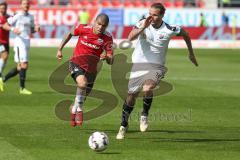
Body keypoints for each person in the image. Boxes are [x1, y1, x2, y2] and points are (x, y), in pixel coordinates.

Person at [116, 3, 198, 140]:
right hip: (139, 65)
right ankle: (123, 125)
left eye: (154, 15)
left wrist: (191, 53)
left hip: (156, 66)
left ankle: (144, 115)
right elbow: (130, 37)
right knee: (131, 95)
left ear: (162, 15)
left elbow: (186, 35)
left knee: (148, 87)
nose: (151, 17)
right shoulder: (142, 23)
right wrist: (143, 27)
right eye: (150, 13)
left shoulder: (169, 29)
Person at [56, 13, 114, 127]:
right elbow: (69, 33)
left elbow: (111, 60)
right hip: (76, 63)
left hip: (92, 70)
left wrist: (107, 57)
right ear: (94, 22)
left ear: (107, 26)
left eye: (104, 25)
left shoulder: (107, 38)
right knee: (82, 84)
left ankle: (74, 109)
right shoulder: (83, 29)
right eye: (99, 24)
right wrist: (59, 49)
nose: (100, 27)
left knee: (83, 95)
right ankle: (79, 110)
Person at [2, 0, 40, 95]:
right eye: (24, 4)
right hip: (19, 43)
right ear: (21, 5)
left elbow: (31, 30)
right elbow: (5, 25)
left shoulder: (31, 16)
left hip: (27, 42)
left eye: (27, 4)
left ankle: (3, 80)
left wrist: (36, 29)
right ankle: (22, 88)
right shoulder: (18, 15)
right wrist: (13, 29)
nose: (26, 5)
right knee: (24, 65)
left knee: (20, 67)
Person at [0, 2, 10, 91]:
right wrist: (12, 28)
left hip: (6, 41)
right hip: (0, 41)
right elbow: (3, 26)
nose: (3, 10)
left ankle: (0, 73)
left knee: (5, 59)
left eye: (4, 8)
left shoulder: (8, 17)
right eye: (1, 8)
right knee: (5, 55)